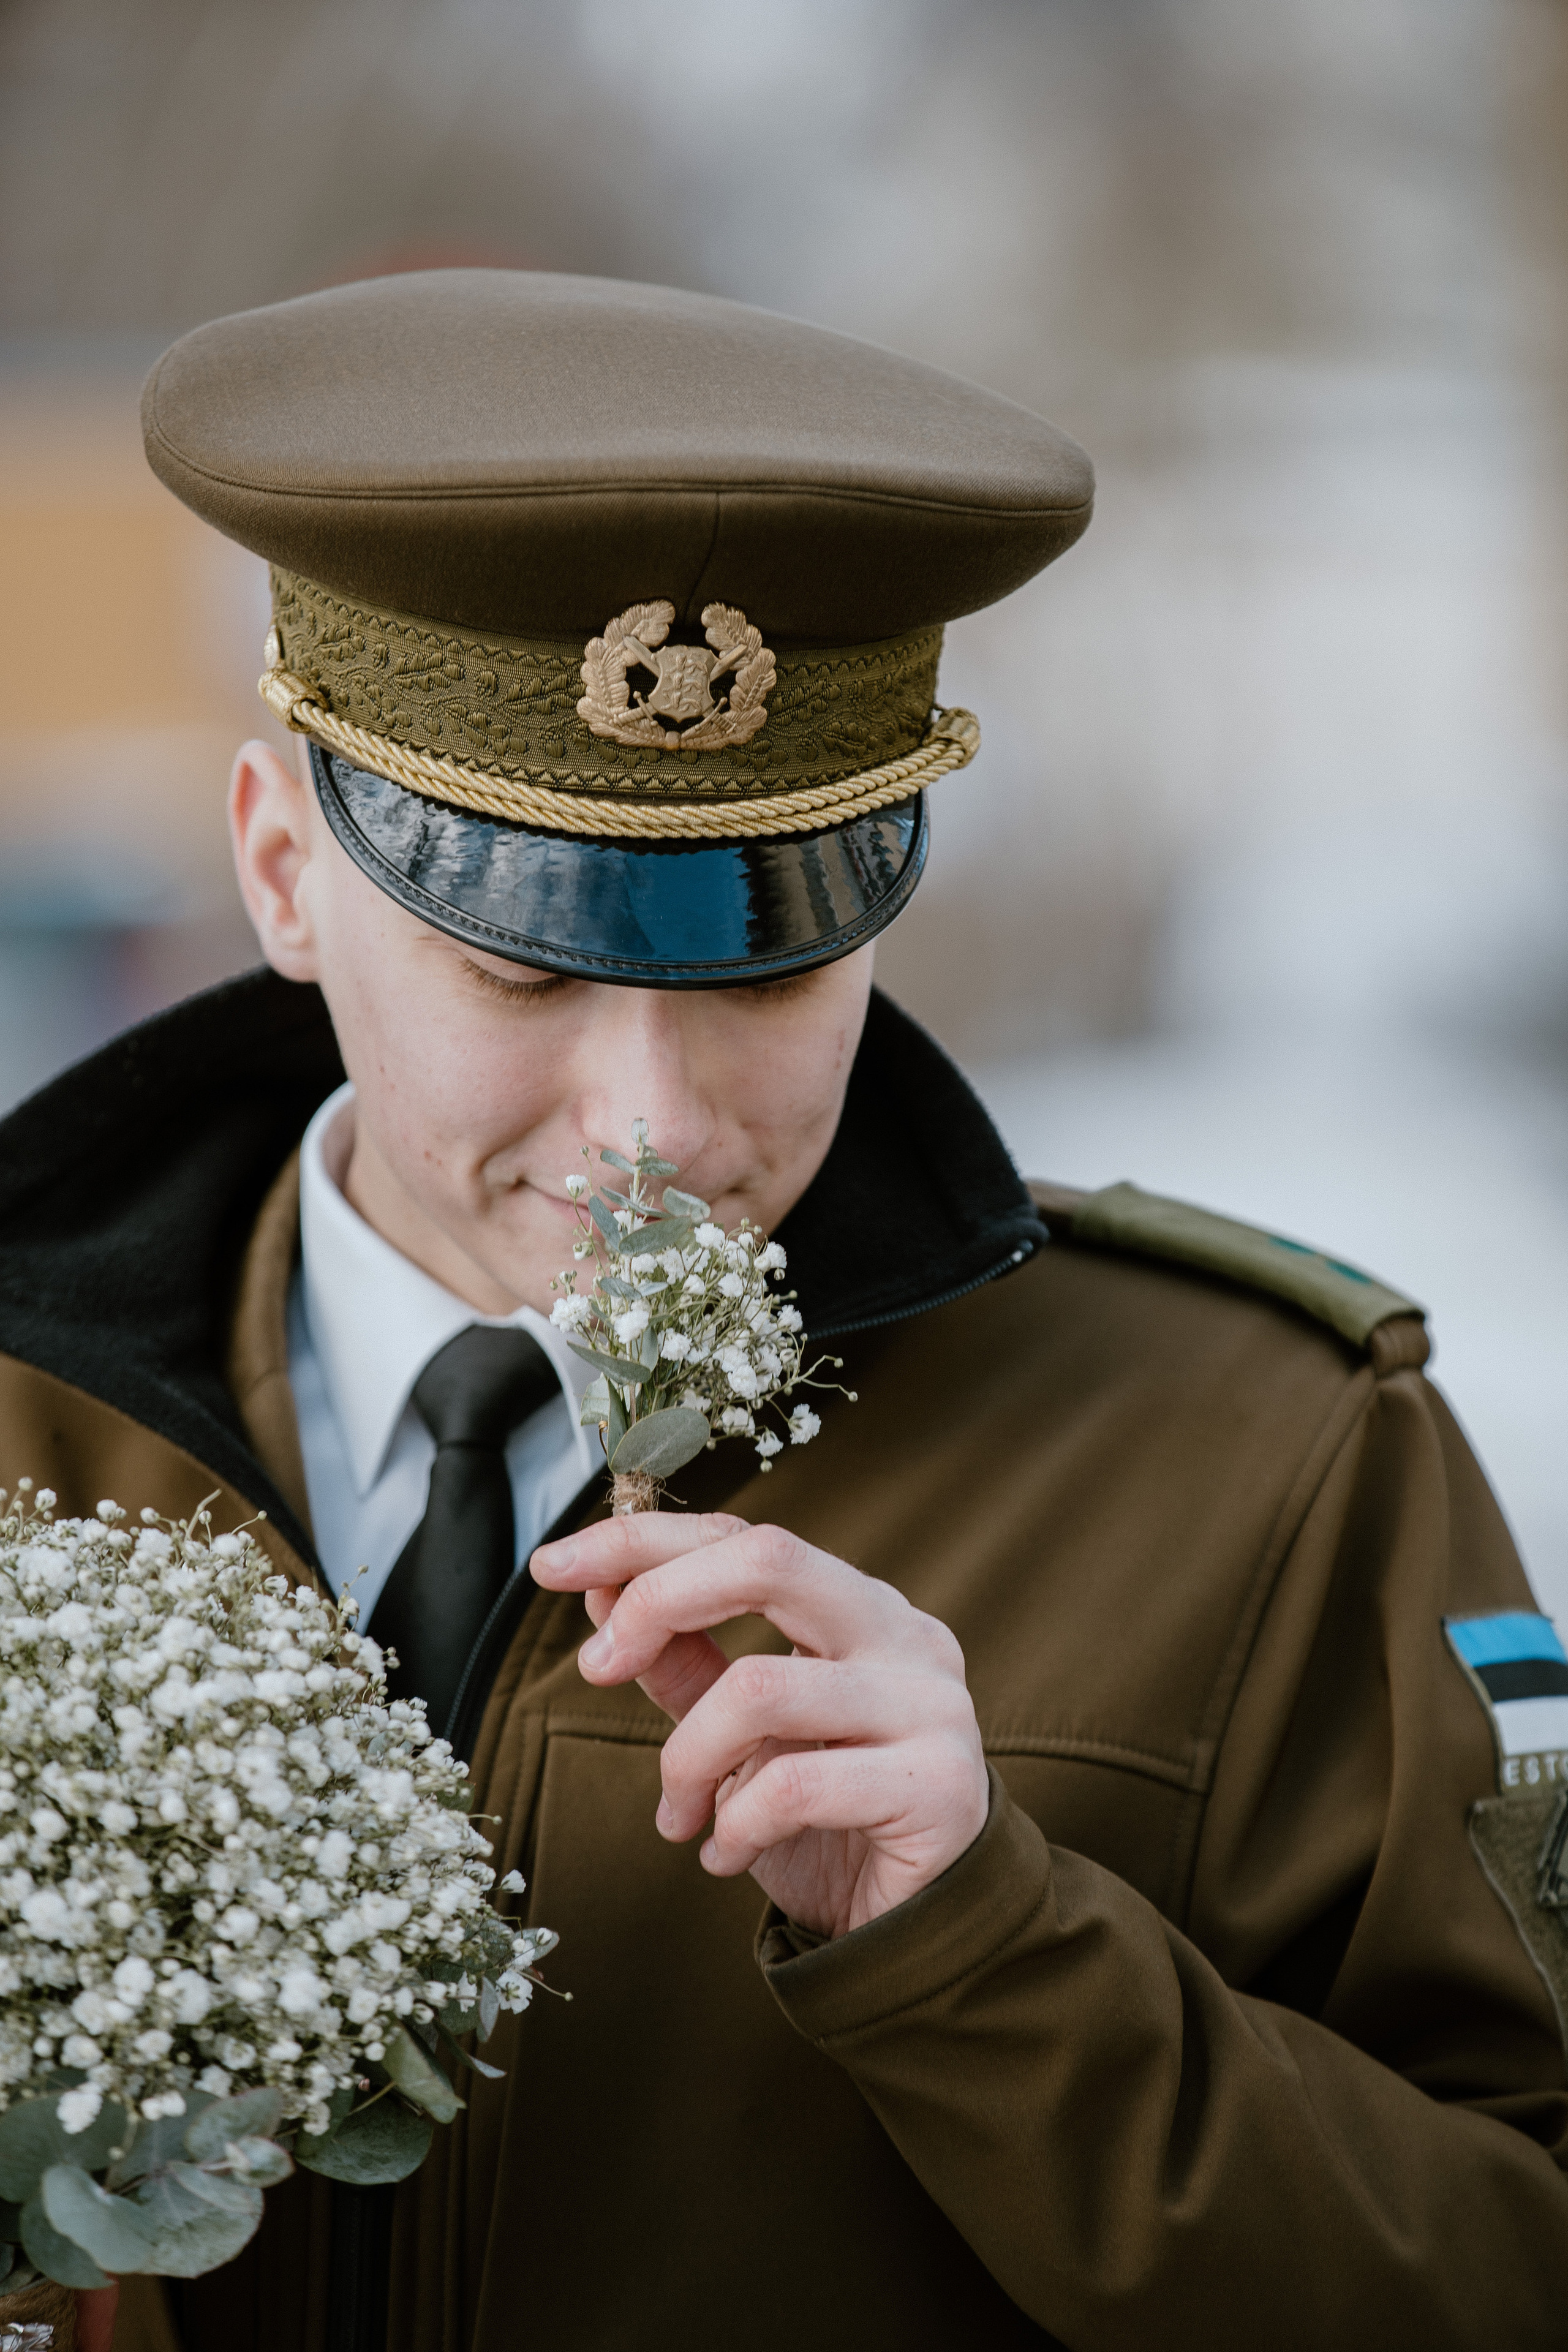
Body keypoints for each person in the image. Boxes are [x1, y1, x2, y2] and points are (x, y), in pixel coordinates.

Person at [1, 269, 1565, 2352]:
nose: (651, 1127)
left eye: (761, 972)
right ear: (284, 870)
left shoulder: (1267, 1457)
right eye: (526, 972)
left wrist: (995, 1954)